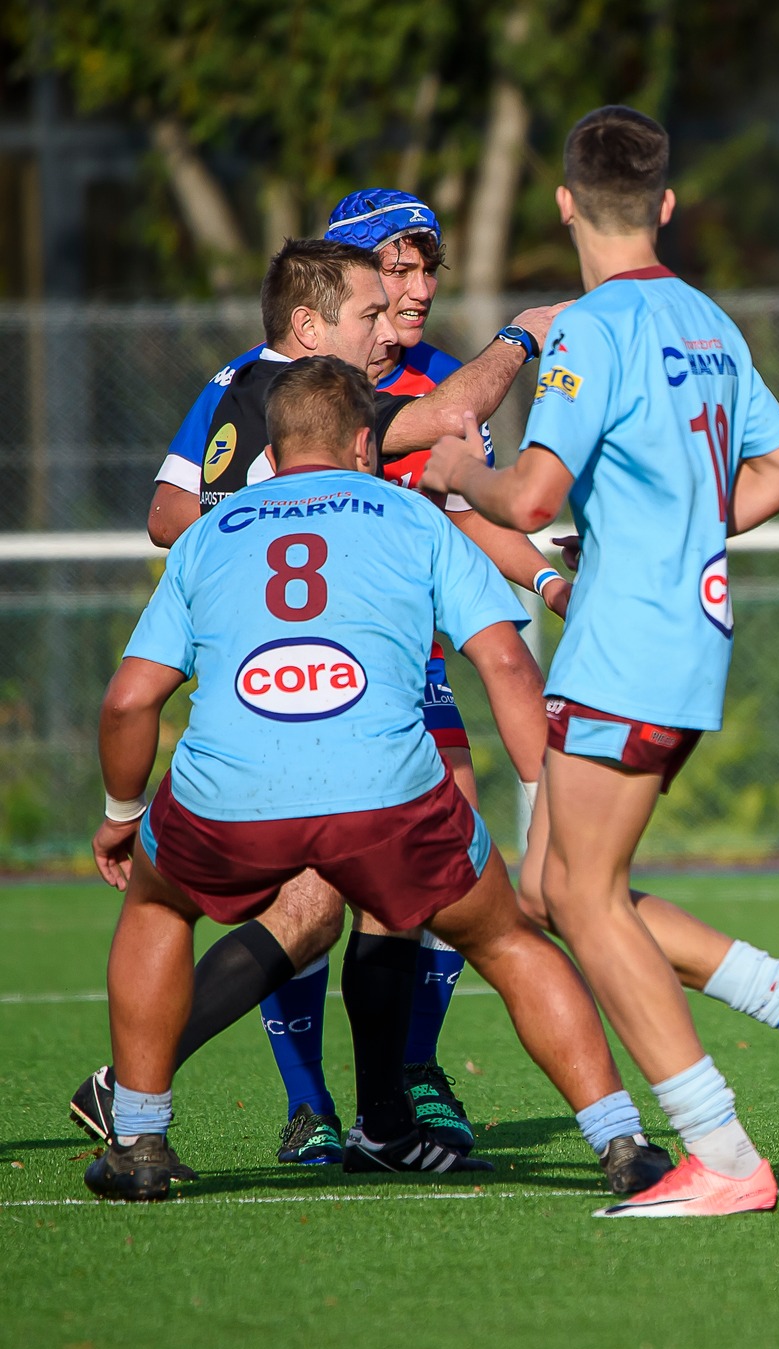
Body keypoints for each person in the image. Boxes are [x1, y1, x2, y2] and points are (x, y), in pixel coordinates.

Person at [422, 104, 779, 1217]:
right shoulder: (708, 320)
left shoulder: (591, 326)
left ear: (565, 203)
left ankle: (721, 1150)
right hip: (677, 631)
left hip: (627, 637)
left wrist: (455, 472)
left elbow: (528, 493)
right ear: (666, 205)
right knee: (553, 888)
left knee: (579, 896)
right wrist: (670, 527)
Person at [83, 356, 672, 1203]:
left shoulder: (210, 532)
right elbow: (505, 659)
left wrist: (120, 812)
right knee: (505, 937)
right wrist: (554, 799)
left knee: (155, 902)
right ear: (367, 442)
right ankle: (621, 1143)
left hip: (228, 796)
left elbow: (129, 700)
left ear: (273, 453)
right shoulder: (411, 515)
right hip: (387, 793)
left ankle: (139, 1137)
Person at [71, 236, 565, 1168]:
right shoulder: (301, 398)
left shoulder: (241, 385)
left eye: (412, 288)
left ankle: (349, 1104)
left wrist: (541, 579)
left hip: (290, 685)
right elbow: (451, 423)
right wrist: (523, 336)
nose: (394, 317)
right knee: (458, 900)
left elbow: (172, 514)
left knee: (309, 908)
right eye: (377, 301)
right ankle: (606, 1129)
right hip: (322, 688)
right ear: (312, 323)